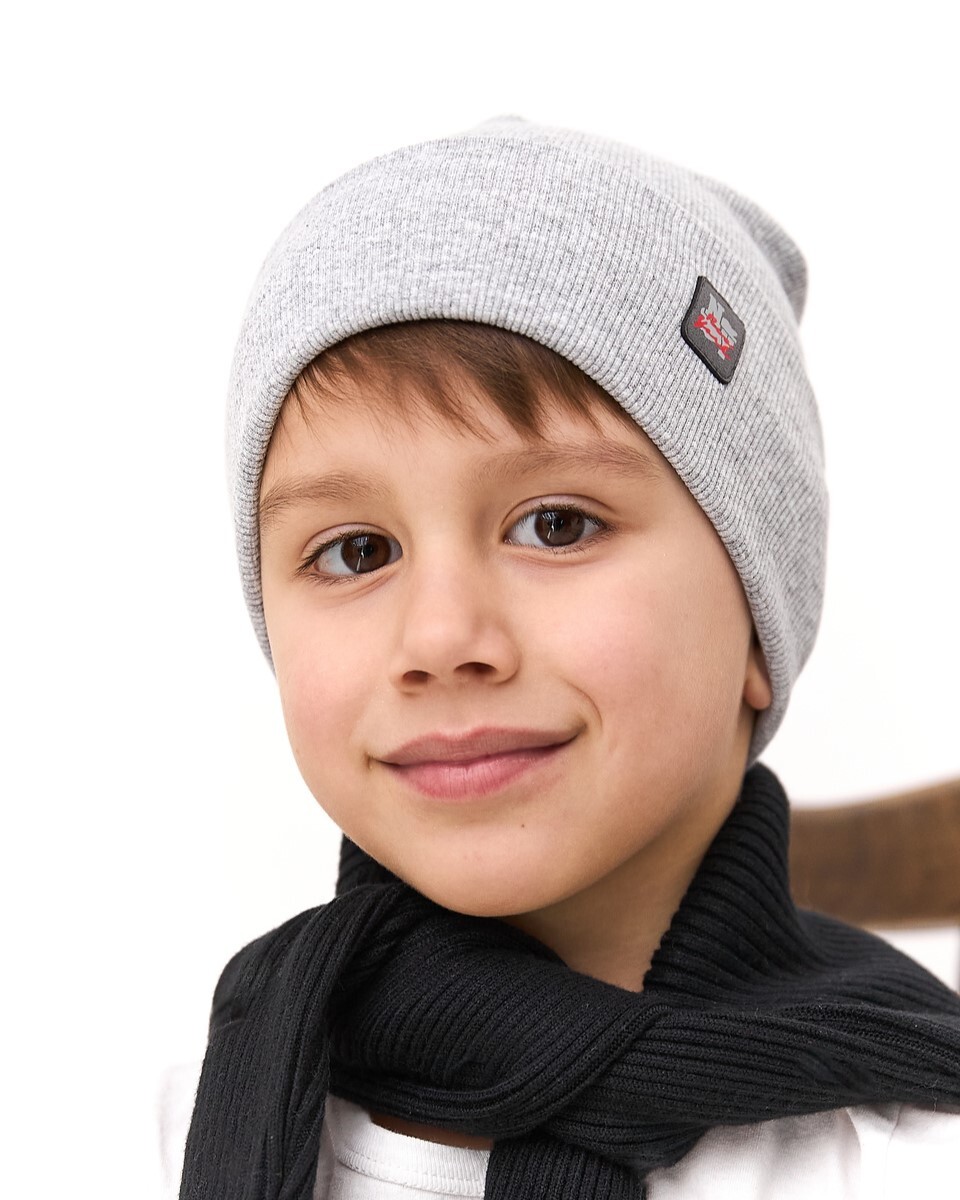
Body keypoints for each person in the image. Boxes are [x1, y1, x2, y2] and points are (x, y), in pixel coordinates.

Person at [162, 115, 960, 1199]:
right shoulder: (161, 1127)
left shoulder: (908, 1160)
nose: (442, 640)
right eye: (357, 551)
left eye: (556, 526)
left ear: (758, 620)